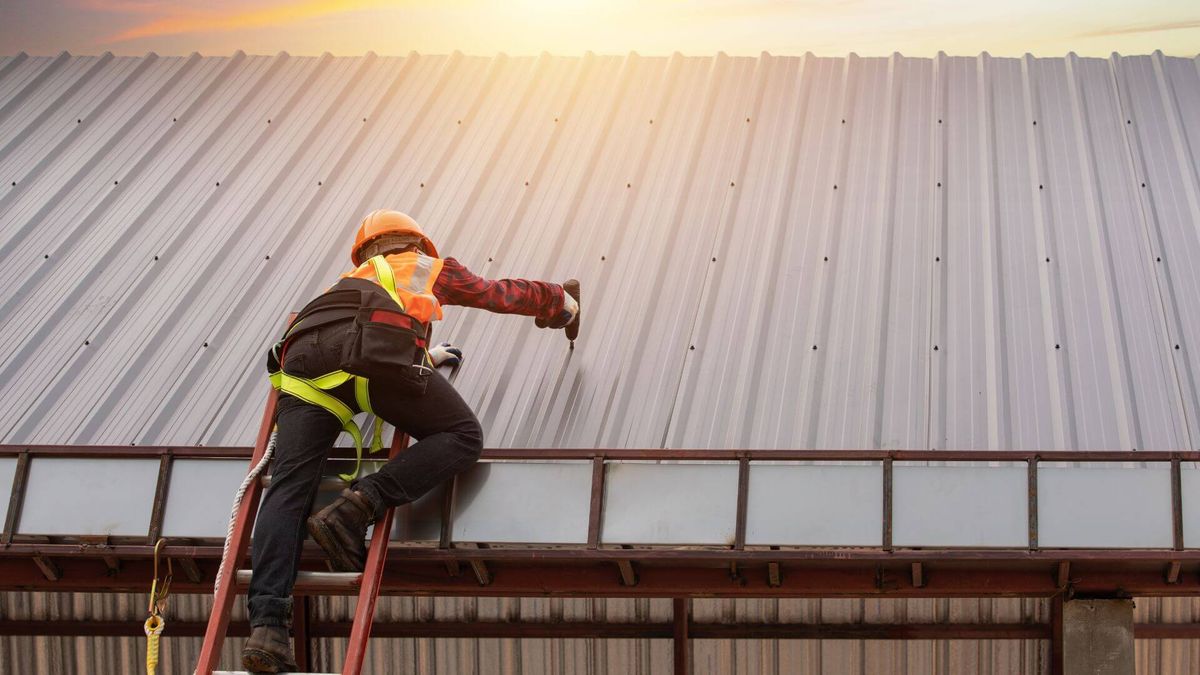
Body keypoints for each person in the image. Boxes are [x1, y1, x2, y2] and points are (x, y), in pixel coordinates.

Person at [242, 209, 579, 672]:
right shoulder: (426, 267)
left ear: (363, 252)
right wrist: (558, 300)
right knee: (463, 436)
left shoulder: (342, 284)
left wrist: (425, 354)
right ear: (416, 244)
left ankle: (266, 631)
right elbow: (498, 294)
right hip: (374, 356)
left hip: (303, 365)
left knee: (287, 490)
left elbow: (353, 329)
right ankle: (359, 504)